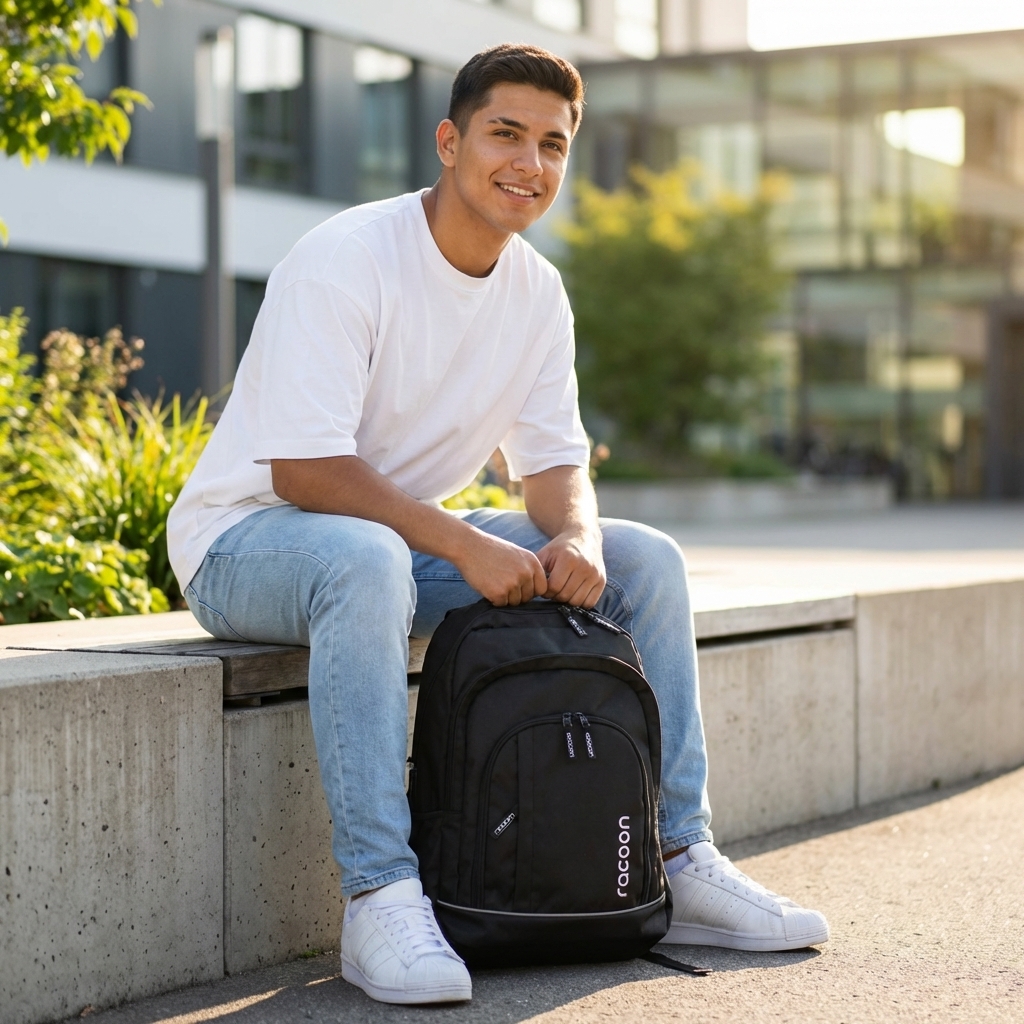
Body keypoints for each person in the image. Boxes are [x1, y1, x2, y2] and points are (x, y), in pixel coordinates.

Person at [167, 43, 829, 1007]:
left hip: (394, 549)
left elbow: (558, 468)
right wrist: (462, 542)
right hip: (248, 544)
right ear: (449, 140)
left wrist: (580, 540)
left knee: (646, 559)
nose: (530, 163)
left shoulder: (536, 291)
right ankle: (381, 897)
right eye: (506, 134)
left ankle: (678, 857)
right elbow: (304, 468)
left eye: (553, 144)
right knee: (364, 558)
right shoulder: (347, 258)